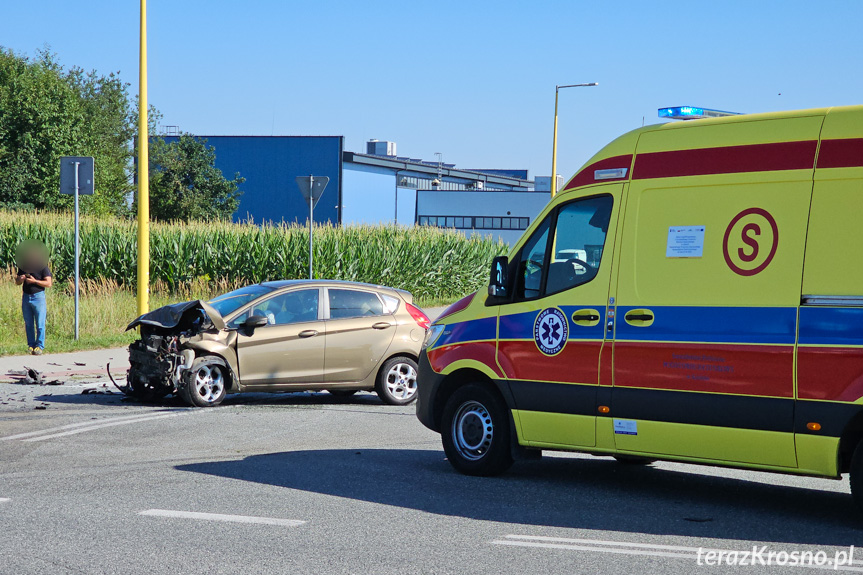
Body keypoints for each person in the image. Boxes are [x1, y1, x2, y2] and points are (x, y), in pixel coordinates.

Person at [14, 242, 52, 355]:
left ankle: (39, 346)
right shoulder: (23, 266)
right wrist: (20, 279)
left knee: (40, 323)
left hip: (38, 297)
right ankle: (31, 345)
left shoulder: (43, 267)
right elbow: (17, 282)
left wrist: (34, 281)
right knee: (29, 323)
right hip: (26, 297)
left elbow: (48, 283)